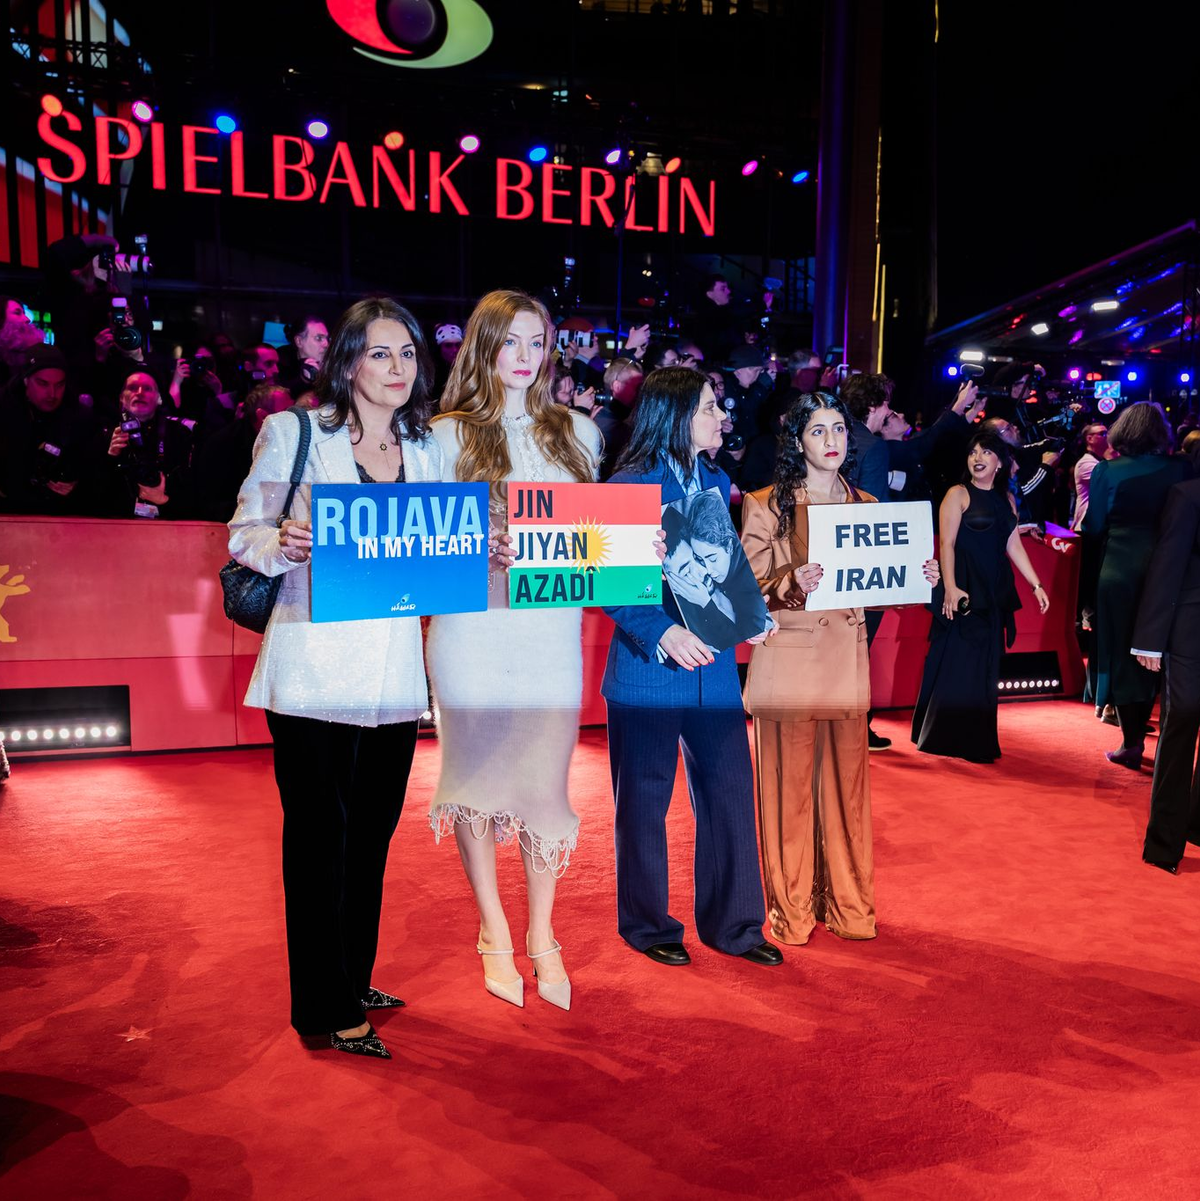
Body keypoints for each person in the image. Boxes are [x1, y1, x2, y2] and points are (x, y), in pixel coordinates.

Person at [227, 296, 443, 1060]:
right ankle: (324, 1001)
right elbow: (242, 532)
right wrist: (279, 541)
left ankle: (353, 971)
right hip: (313, 668)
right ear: (347, 360)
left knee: (374, 834)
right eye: (381, 353)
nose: (397, 368)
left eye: (408, 354)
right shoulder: (293, 433)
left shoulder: (428, 449)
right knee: (320, 838)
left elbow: (445, 545)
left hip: (391, 675)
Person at [426, 289, 601, 1012]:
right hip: (471, 631)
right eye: (511, 342)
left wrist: (632, 549)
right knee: (472, 776)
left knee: (541, 782)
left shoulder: (579, 433)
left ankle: (542, 930)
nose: (525, 358)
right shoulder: (443, 435)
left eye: (537, 343)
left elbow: (593, 539)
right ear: (484, 346)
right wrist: (476, 549)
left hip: (550, 631)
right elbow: (421, 546)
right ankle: (493, 925)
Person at [740, 390, 939, 944]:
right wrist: (790, 583)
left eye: (839, 430)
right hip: (790, 666)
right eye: (818, 431)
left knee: (848, 798)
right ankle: (792, 914)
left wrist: (914, 576)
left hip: (846, 670)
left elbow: (872, 590)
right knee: (790, 799)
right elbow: (744, 592)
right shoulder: (765, 504)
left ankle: (850, 910)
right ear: (797, 442)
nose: (831, 441)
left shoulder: (870, 506)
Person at [602, 365, 782, 970]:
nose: (721, 416)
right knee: (645, 802)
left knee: (729, 792)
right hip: (649, 664)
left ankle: (735, 924)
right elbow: (608, 582)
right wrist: (661, 632)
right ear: (676, 414)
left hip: (715, 669)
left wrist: (751, 615)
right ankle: (649, 926)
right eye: (709, 406)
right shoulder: (628, 482)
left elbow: (723, 568)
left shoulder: (715, 476)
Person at [911, 427, 1050, 763]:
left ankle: (976, 736)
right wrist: (951, 585)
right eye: (973, 452)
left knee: (985, 664)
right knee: (957, 659)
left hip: (993, 590)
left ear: (1000, 462)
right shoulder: (957, 493)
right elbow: (946, 543)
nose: (977, 458)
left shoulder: (1007, 499)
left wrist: (1035, 583)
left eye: (986, 453)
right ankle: (941, 736)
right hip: (962, 588)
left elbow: (1011, 542)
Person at [1082, 402, 1192, 768]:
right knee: (1174, 652)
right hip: (1174, 571)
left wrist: (1084, 597)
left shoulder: (1106, 472)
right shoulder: (1182, 467)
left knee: (1123, 656)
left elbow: (1094, 529)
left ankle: (1132, 743)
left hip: (1120, 570)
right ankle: (1172, 743)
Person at [1132, 478, 1200, 873]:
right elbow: (1167, 563)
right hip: (1191, 621)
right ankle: (1163, 842)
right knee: (1184, 715)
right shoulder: (1188, 494)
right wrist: (1150, 640)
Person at [0, 344, 95, 515]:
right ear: (26, 380)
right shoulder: (4, 409)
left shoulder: (79, 416)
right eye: (43, 384)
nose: (52, 394)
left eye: (59, 385)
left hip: (60, 514)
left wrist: (76, 484)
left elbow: (92, 472)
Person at [93, 370, 196, 519]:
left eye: (147, 389)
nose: (140, 393)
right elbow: (93, 497)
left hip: (168, 524)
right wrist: (111, 458)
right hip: (118, 526)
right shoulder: (107, 435)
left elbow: (193, 494)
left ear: (159, 398)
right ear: (122, 398)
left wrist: (164, 501)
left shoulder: (179, 434)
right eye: (133, 388)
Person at [1071, 422, 1109, 531]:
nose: (1107, 436)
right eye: (1102, 433)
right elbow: (1111, 481)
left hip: (1097, 524)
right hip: (1086, 525)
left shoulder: (1100, 461)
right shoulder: (1086, 463)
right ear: (1090, 438)